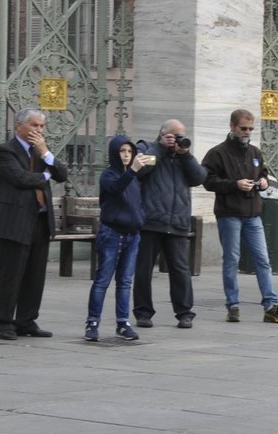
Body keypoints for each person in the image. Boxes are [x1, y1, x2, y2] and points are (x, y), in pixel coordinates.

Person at [202, 109, 278, 324]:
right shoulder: (217, 153)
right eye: (243, 128)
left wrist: (264, 181)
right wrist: (234, 185)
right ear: (232, 127)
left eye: (250, 129)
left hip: (253, 213)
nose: (247, 132)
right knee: (231, 259)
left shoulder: (255, 152)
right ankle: (233, 305)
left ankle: (270, 305)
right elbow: (207, 180)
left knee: (263, 260)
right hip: (229, 213)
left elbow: (262, 173)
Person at [0, 109, 70, 340]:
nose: (39, 130)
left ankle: (26, 321)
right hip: (14, 223)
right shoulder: (4, 151)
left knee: (35, 277)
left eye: (42, 126)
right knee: (11, 276)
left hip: (40, 222)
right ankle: (4, 322)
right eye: (35, 125)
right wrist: (46, 176)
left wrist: (46, 154)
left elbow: (62, 175)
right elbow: (20, 178)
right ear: (19, 126)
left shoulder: (41, 154)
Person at [133, 119, 207, 329]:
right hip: (151, 221)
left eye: (180, 135)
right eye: (173, 136)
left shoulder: (183, 157)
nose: (177, 140)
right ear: (161, 133)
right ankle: (143, 313)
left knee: (181, 270)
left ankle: (185, 313)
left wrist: (186, 155)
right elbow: (139, 171)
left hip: (177, 222)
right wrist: (160, 148)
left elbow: (199, 177)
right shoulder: (147, 148)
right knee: (144, 269)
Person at [87, 136, 154, 342]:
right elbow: (116, 188)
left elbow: (135, 201)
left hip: (132, 235)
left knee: (125, 281)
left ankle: (122, 322)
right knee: (102, 280)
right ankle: (92, 323)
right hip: (112, 233)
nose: (126, 155)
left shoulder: (133, 177)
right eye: (122, 151)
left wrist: (140, 219)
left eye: (129, 151)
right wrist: (132, 170)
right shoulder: (109, 175)